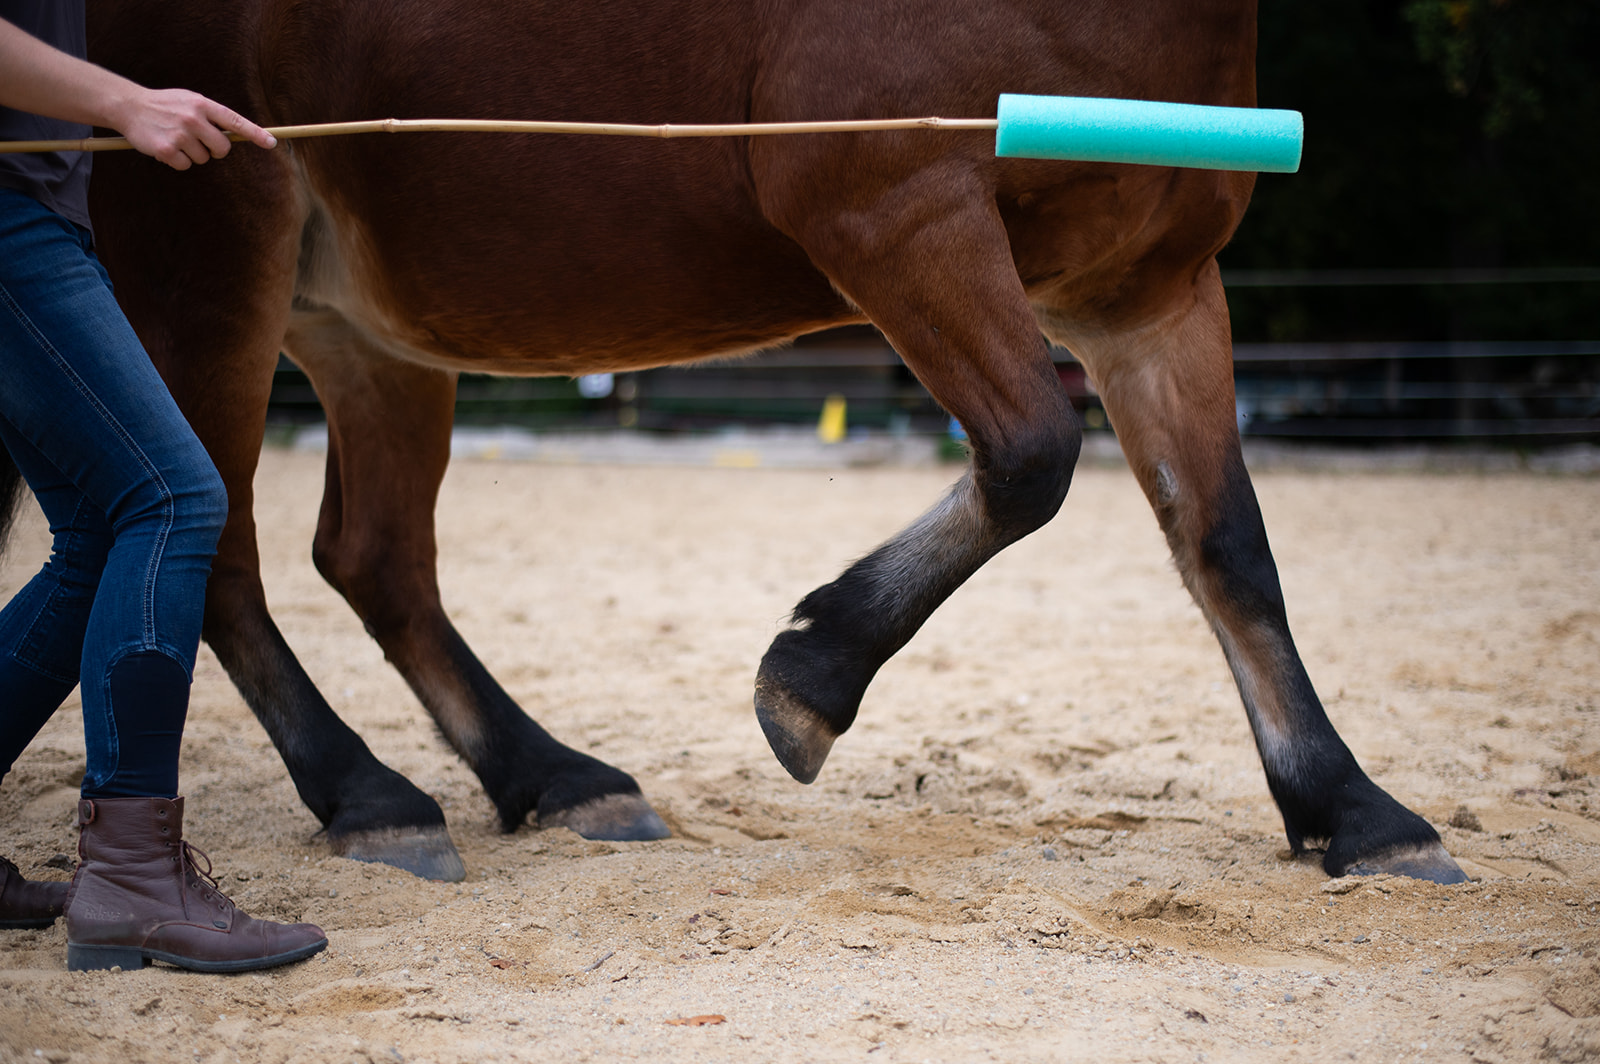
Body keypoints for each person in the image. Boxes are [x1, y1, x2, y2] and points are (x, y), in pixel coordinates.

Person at [0, 2, 326, 972]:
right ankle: (134, 878)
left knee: (101, 529)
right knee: (174, 498)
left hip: (37, 203)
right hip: (9, 214)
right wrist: (124, 103)